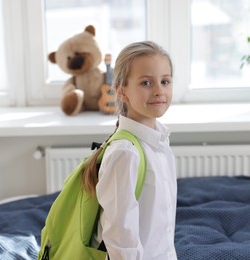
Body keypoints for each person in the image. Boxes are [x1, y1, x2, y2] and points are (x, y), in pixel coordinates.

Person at [83, 41, 177, 259]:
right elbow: (120, 239)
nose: (158, 91)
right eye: (146, 83)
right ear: (121, 91)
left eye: (165, 81)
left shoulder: (160, 143)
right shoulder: (125, 153)